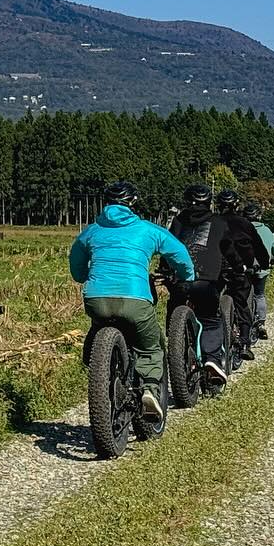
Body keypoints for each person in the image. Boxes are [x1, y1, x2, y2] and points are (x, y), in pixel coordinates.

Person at [69, 180, 194, 424]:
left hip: (96, 298)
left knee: (97, 329)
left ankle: (97, 365)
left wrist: (85, 275)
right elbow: (179, 252)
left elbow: (76, 267)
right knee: (150, 345)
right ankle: (149, 388)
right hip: (135, 297)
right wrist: (187, 276)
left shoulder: (91, 231)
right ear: (133, 203)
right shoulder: (147, 229)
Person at [169, 184, 248, 382]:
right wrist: (239, 267)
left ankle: (176, 348)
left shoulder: (178, 221)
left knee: (173, 312)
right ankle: (212, 358)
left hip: (181, 279)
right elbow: (229, 249)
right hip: (207, 281)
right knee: (211, 320)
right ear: (209, 202)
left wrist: (165, 268)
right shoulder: (219, 222)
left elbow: (169, 246)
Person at [214, 188, 268, 362]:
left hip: (216, 268)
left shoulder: (212, 222)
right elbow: (259, 248)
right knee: (241, 303)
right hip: (241, 269)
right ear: (236, 205)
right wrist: (264, 263)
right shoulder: (245, 223)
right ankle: (244, 343)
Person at [243, 201, 274, 340]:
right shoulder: (266, 231)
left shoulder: (239, 228)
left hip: (243, 269)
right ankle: (261, 324)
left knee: (241, 295)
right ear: (259, 216)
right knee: (259, 295)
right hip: (261, 269)